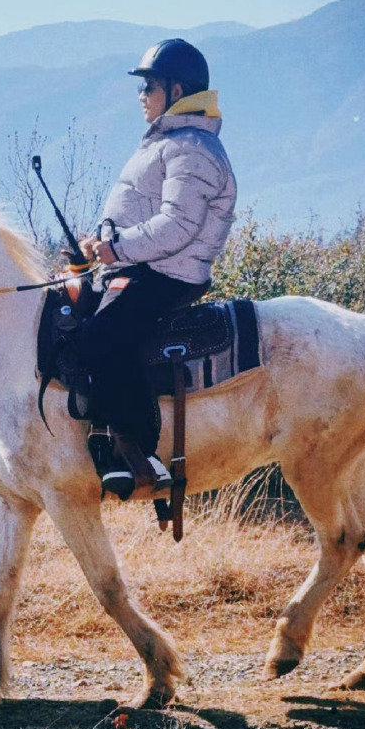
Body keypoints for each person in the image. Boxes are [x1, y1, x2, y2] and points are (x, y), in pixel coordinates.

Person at [78, 38, 237, 493]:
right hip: (148, 265)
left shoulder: (193, 149)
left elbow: (178, 226)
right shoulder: (174, 142)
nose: (141, 95)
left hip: (170, 274)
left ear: (176, 89)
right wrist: (102, 244)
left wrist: (118, 248)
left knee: (101, 336)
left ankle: (140, 452)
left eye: (149, 86)